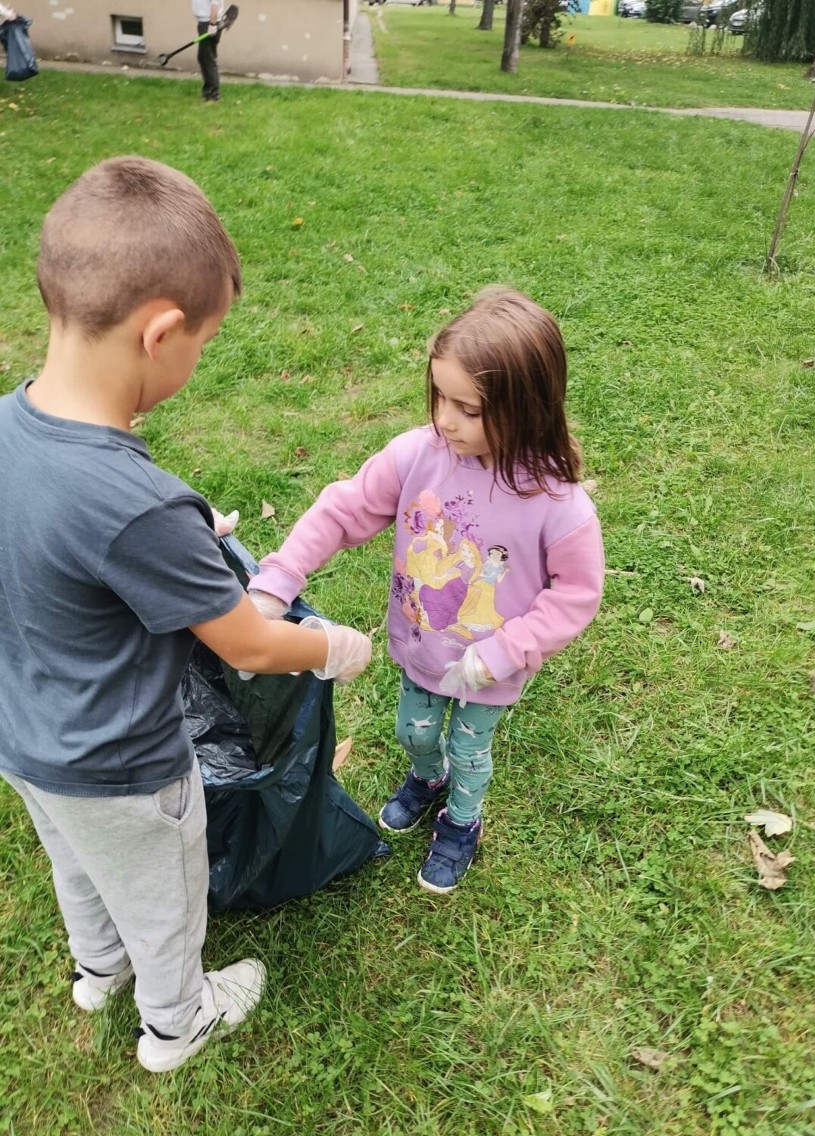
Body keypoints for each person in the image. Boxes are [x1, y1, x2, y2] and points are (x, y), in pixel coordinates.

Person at [0, 156, 372, 1073]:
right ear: (161, 333)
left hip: (25, 741)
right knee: (164, 891)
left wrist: (175, 533)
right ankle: (177, 1019)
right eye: (206, 339)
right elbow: (246, 642)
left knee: (78, 866)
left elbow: (61, 542)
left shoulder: (11, 429)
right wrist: (333, 647)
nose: (200, 357)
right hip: (126, 766)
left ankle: (98, 971)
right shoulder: (138, 506)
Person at [245, 287, 605, 894]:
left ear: (527, 406)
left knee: (470, 750)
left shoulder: (559, 505)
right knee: (413, 731)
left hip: (489, 666)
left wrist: (504, 651)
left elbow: (577, 594)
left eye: (467, 407)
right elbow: (343, 509)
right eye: (440, 396)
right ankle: (426, 779)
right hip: (421, 642)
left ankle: (462, 820)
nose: (444, 418)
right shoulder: (419, 454)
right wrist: (280, 577)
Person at [191, 0, 220, 102]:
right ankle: (207, 92)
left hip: (209, 23)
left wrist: (212, 24)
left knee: (208, 58)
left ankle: (213, 95)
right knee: (203, 57)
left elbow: (215, 3)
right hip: (204, 22)